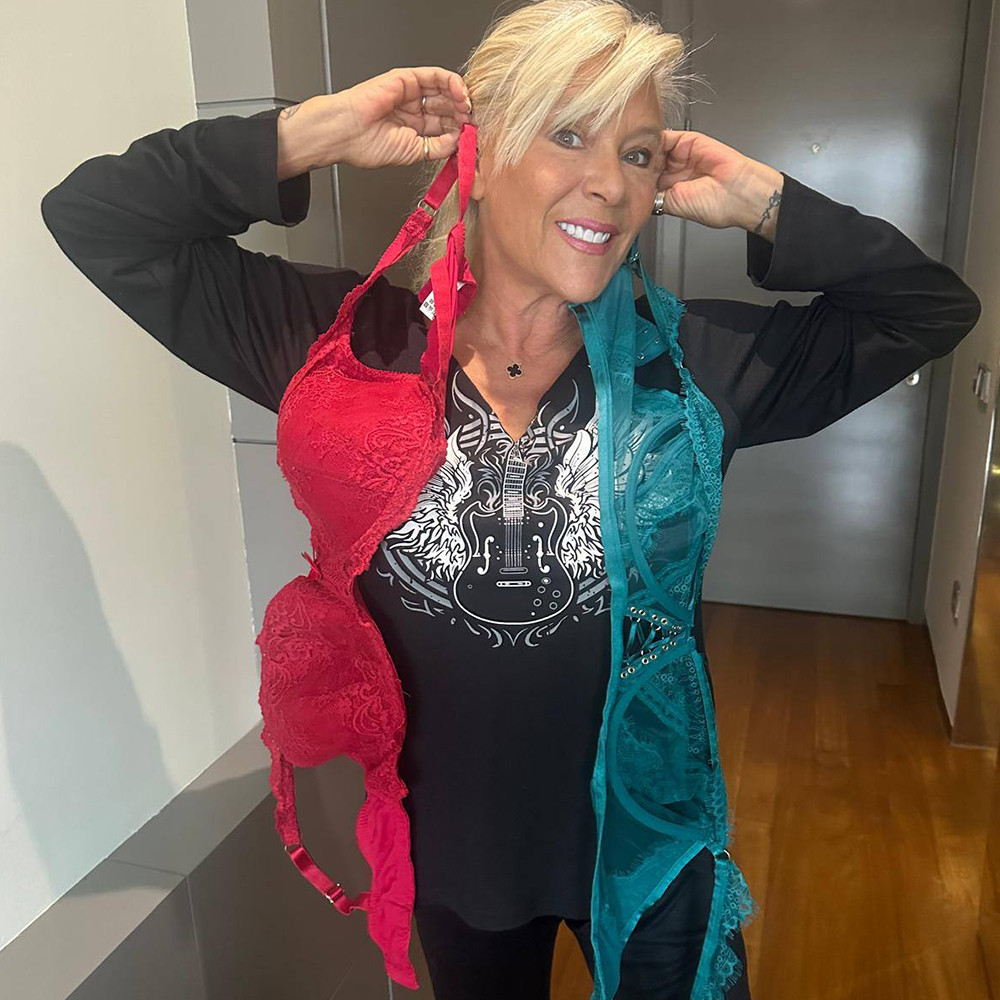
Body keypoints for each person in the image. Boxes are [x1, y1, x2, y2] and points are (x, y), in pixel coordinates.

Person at [39, 1, 981, 997]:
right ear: (477, 157)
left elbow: (928, 309)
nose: (610, 182)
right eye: (568, 134)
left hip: (653, 848)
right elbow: (97, 218)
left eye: (639, 153)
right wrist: (308, 134)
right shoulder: (341, 347)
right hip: (458, 855)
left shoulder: (694, 366)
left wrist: (763, 202)